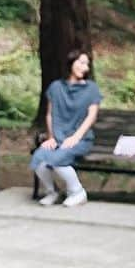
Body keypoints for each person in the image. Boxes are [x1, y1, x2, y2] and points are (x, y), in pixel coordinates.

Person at [30, 49, 102, 209]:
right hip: (59, 137)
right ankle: (52, 192)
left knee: (58, 159)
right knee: (39, 158)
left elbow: (91, 117)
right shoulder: (56, 87)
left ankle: (78, 192)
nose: (85, 67)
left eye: (87, 64)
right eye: (81, 63)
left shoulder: (91, 89)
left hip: (81, 139)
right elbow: (50, 114)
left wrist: (76, 137)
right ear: (71, 63)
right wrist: (51, 137)